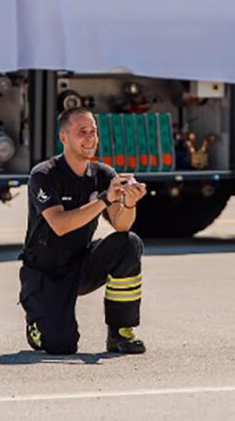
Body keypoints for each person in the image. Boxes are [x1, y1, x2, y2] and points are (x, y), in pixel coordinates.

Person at [19, 106, 148, 355]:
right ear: (64, 137)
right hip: (47, 272)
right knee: (61, 345)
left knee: (128, 243)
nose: (90, 138)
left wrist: (129, 202)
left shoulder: (103, 174)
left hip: (81, 264)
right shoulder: (44, 175)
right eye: (82, 132)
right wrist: (103, 199)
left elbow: (122, 225)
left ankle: (120, 332)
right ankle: (37, 324)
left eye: (93, 131)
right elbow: (60, 225)